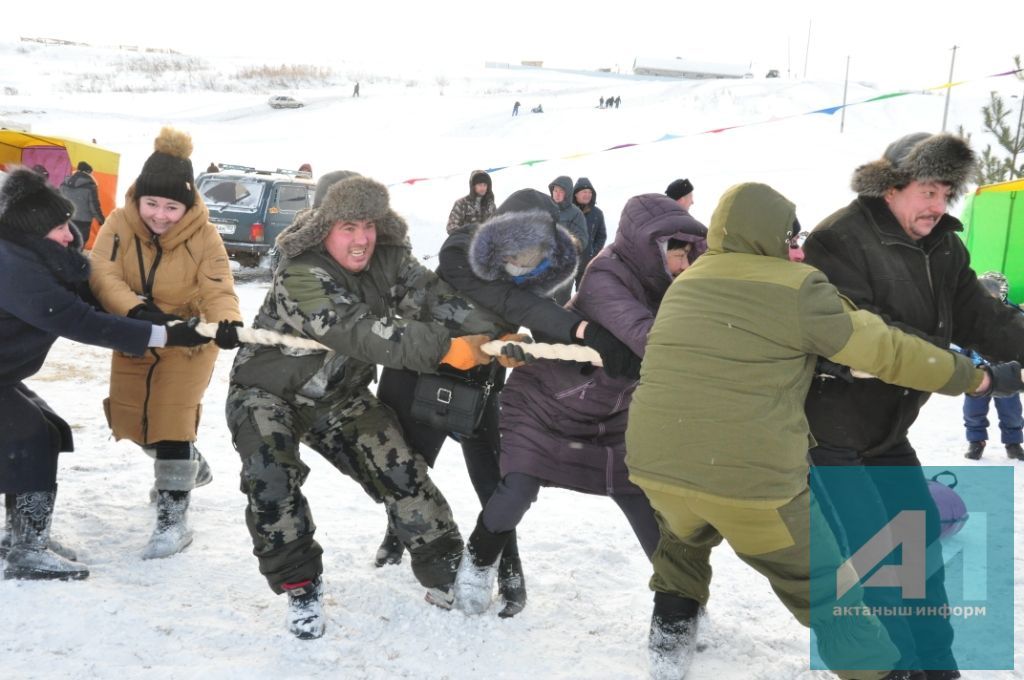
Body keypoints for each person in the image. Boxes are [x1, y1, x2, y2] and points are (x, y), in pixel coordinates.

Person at [624, 182, 1019, 680]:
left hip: (655, 469)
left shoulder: (687, 283)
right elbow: (889, 351)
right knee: (832, 597)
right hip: (750, 483)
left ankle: (667, 652)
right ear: (769, 235)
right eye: (790, 235)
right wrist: (980, 378)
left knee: (681, 550)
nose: (796, 247)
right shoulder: (797, 289)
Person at [224, 173, 506, 639]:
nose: (362, 240)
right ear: (322, 227)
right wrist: (445, 349)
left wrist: (492, 333)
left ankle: (446, 571)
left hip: (340, 396)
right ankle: (301, 588)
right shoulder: (299, 273)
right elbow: (354, 330)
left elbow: (439, 300)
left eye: (369, 225)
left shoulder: (388, 259)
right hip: (268, 392)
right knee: (271, 478)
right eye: (348, 227)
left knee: (401, 469)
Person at [803, 132, 1024, 678]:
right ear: (891, 187)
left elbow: (980, 316)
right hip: (830, 434)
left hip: (887, 432)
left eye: (946, 192)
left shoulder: (944, 246)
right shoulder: (839, 239)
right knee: (875, 564)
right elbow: (879, 337)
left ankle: (937, 666)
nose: (938, 205)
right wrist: (976, 378)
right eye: (928, 190)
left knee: (919, 548)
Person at [375, 188, 643, 617]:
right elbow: (510, 301)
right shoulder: (460, 249)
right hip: (423, 376)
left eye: (537, 247)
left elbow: (540, 312)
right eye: (519, 243)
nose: (526, 257)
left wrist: (599, 342)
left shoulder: (538, 268)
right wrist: (582, 332)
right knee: (412, 466)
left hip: (480, 383)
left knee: (495, 481)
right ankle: (394, 537)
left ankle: (510, 574)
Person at [454, 193, 707, 617]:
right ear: (648, 249)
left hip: (609, 411)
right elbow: (652, 339)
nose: (682, 265)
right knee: (518, 489)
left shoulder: (680, 285)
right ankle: (477, 565)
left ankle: (680, 597)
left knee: (641, 498)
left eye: (687, 254)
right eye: (673, 254)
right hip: (546, 400)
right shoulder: (606, 275)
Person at [0, 168, 211, 581]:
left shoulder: (31, 258)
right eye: (59, 227)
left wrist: (148, 315)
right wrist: (166, 335)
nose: (69, 234)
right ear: (33, 231)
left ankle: (20, 534)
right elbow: (82, 321)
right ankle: (28, 549)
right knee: (30, 435)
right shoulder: (12, 268)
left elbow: (90, 296)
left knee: (44, 427)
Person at [88, 127, 243, 561]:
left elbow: (218, 286)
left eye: (171, 206)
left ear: (187, 205)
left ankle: (173, 521)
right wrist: (135, 311)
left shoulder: (204, 235)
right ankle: (191, 465)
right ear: (138, 198)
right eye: (152, 203)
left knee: (171, 421)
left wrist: (227, 321)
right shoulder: (118, 224)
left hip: (189, 339)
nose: (160, 214)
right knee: (133, 420)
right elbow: (102, 272)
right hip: (136, 333)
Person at [961, 272, 1024, 461]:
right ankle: (976, 441)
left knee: (1011, 411)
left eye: (995, 293)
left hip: (1006, 375)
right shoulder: (970, 317)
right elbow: (961, 341)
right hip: (977, 373)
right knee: (973, 411)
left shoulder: (1014, 316)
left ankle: (1013, 442)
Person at [547, 176, 588, 298]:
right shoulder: (545, 208)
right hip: (544, 263)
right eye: (555, 190)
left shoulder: (576, 213)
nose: (557, 194)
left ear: (568, 193)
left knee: (561, 300)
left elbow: (582, 240)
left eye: (561, 191)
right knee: (542, 300)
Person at [59, 160, 105, 247]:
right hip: (83, 223)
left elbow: (59, 201)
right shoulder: (90, 186)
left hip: (67, 219)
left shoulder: (64, 183)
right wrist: (101, 220)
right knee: (79, 245)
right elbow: (94, 207)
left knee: (66, 244)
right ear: (88, 173)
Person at [571, 177, 606, 285]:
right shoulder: (568, 211)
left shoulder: (597, 213)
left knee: (584, 295)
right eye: (584, 192)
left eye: (590, 192)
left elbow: (601, 236)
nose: (587, 194)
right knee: (561, 297)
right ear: (576, 194)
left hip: (587, 263)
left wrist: (593, 253)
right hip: (567, 262)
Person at [446, 170, 496, 234]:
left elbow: (496, 225)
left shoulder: (491, 205)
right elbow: (451, 227)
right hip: (465, 242)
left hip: (486, 242)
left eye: (485, 185)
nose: (483, 188)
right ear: (473, 186)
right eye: (480, 185)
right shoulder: (462, 203)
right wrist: (468, 231)